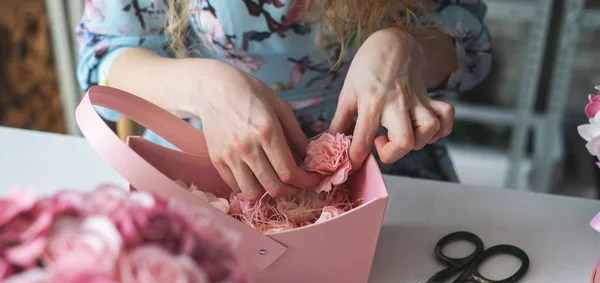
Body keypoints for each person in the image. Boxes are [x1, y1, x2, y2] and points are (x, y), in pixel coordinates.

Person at [76, 0, 491, 201]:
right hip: (204, 168)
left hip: (389, 170)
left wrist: (406, 49)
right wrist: (205, 88)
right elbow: (103, 59)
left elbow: (467, 45)